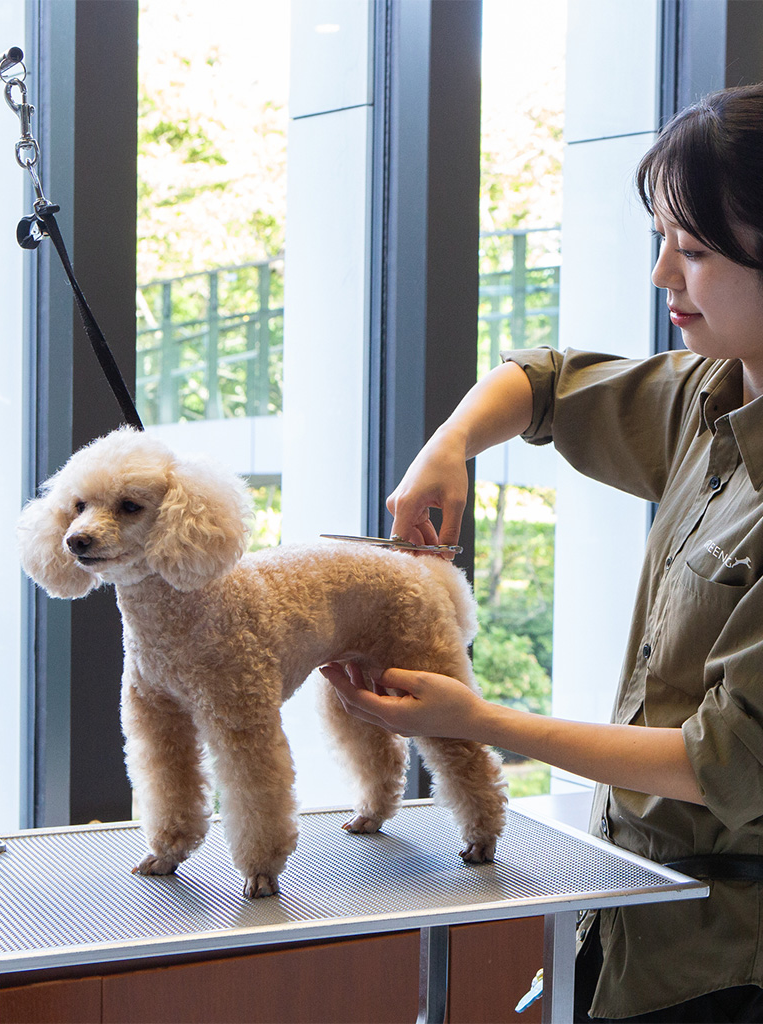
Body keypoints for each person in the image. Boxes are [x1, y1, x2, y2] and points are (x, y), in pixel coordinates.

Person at [319, 84, 763, 1023]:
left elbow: (717, 762)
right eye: (659, 241)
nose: (661, 277)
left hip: (729, 961)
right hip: (633, 924)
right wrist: (450, 445)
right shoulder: (711, 397)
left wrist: (479, 721)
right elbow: (545, 381)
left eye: (692, 250)